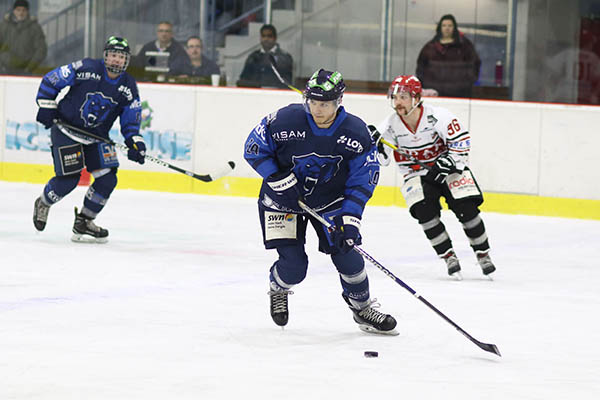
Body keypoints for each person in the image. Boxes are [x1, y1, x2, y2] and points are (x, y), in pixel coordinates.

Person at [243, 69, 397, 335]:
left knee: (348, 255)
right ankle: (278, 287)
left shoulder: (356, 132)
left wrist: (350, 220)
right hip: (281, 201)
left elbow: (363, 180)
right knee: (294, 268)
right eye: (313, 102)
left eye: (324, 103)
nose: (317, 109)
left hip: (331, 201)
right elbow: (254, 148)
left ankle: (362, 309)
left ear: (339, 101)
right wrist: (277, 178)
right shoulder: (285, 120)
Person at [371, 75, 496, 279]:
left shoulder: (438, 116)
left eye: (403, 97)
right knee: (423, 211)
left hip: (448, 168)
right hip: (416, 174)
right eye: (395, 97)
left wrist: (450, 161)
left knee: (467, 208)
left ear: (417, 98)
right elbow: (382, 160)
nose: (398, 103)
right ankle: (448, 256)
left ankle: (483, 253)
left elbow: (462, 143)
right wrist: (375, 147)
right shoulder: (389, 126)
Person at [32, 36, 146, 243]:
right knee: (69, 180)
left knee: (108, 179)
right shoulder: (86, 67)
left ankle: (84, 221)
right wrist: (46, 105)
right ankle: (43, 202)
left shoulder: (128, 86)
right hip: (67, 130)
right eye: (113, 55)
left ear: (126, 60)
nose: (116, 60)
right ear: (105, 55)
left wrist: (135, 142)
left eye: (121, 57)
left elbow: (131, 119)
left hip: (97, 137)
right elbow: (51, 79)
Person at [416, 14, 481, 98]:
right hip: (434, 94)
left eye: (450, 25)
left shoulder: (464, 46)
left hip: (460, 94)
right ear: (440, 27)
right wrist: (425, 87)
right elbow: (421, 68)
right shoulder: (430, 47)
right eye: (444, 25)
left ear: (454, 27)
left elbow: (475, 64)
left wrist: (467, 83)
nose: (447, 28)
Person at [237, 24, 293, 88]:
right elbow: (243, 79)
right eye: (263, 36)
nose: (266, 39)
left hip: (275, 94)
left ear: (275, 38)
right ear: (260, 38)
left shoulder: (284, 58)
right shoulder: (253, 56)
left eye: (269, 36)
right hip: (254, 94)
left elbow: (287, 82)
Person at [0, 0, 47, 75]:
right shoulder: (4, 26)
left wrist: (30, 67)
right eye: (18, 10)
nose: (21, 13)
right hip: (5, 70)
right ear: (14, 11)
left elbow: (41, 49)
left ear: (27, 11)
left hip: (27, 72)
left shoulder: (35, 27)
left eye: (24, 10)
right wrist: (3, 61)